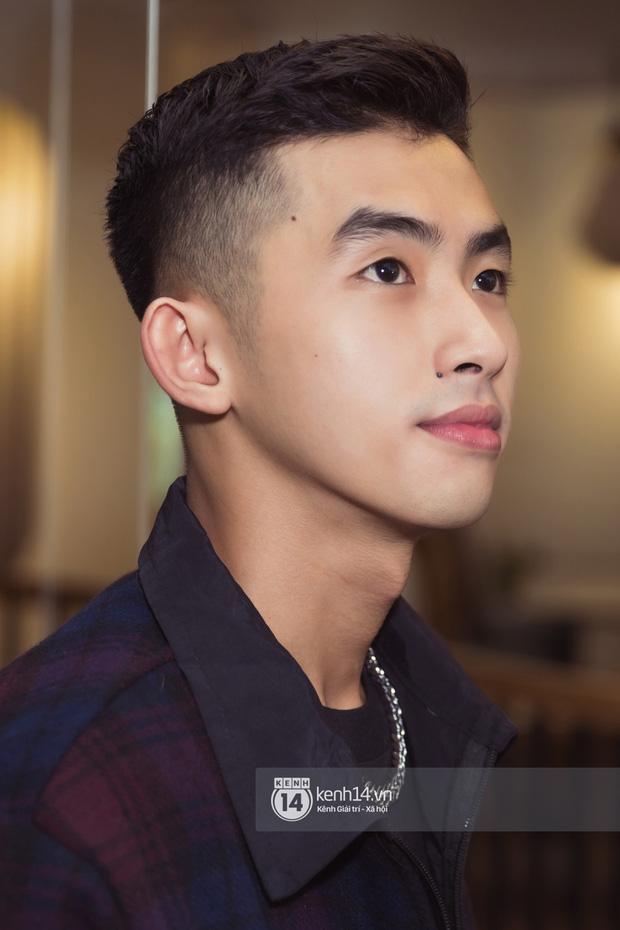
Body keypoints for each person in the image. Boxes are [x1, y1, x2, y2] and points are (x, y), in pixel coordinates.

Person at [0, 34, 520, 929]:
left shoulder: (422, 707)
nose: (483, 339)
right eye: (388, 269)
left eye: (489, 276)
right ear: (195, 356)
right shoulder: (63, 797)